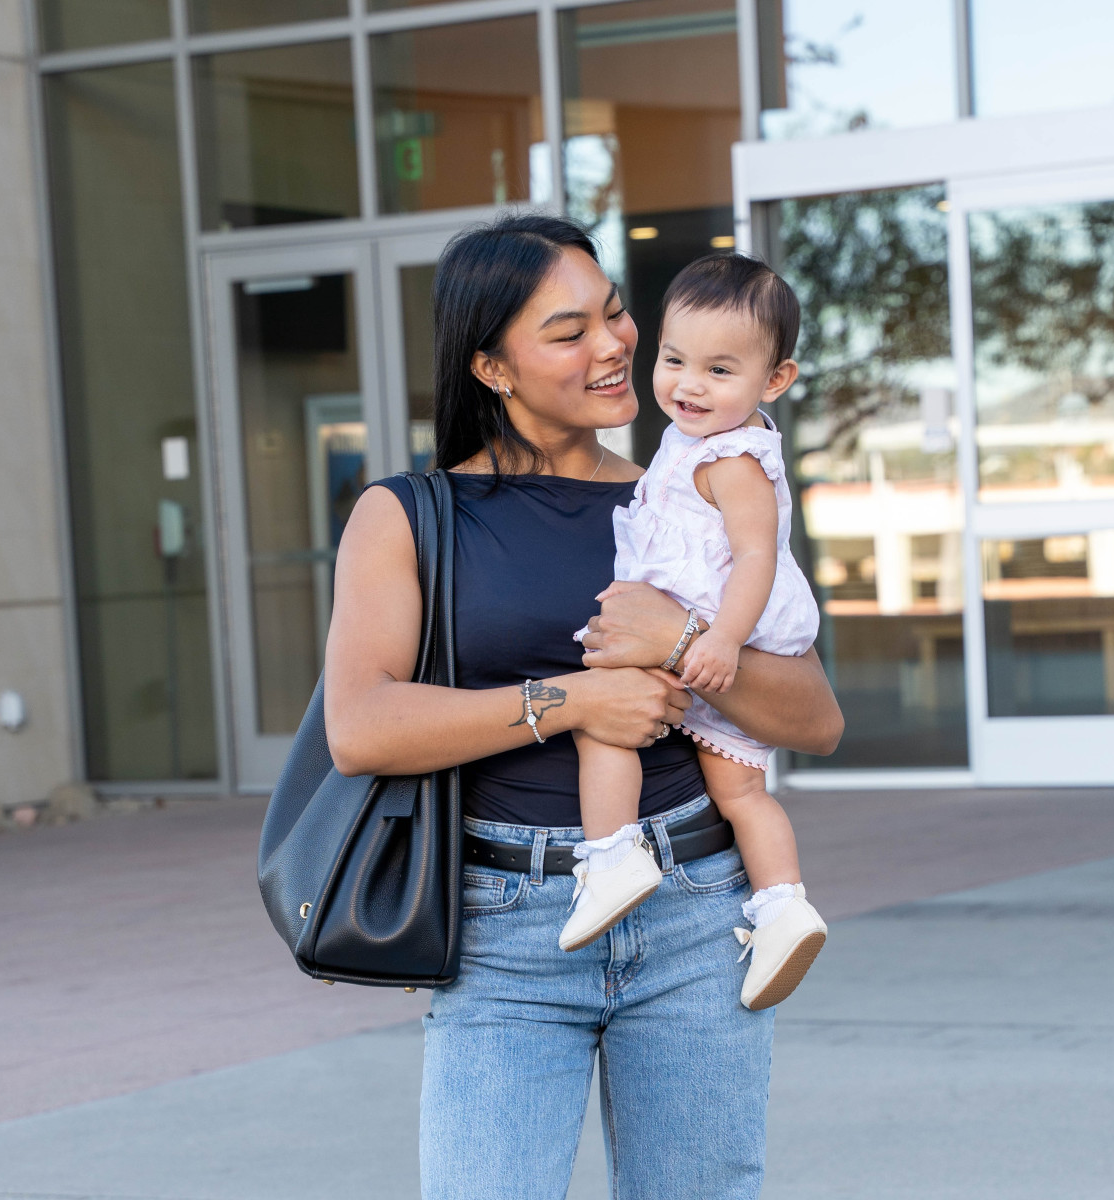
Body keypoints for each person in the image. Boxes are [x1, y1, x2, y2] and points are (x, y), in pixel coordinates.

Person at [324, 211, 843, 1200]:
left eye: (612, 314)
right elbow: (361, 726)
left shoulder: (690, 490)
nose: (611, 344)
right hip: (506, 931)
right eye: (567, 332)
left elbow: (813, 719)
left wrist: (682, 643)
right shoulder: (409, 516)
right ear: (492, 366)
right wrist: (573, 700)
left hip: (696, 916)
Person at [561, 253, 827, 1012]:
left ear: (773, 381)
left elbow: (755, 557)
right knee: (740, 790)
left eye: (718, 370)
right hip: (707, 627)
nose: (687, 384)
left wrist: (713, 643)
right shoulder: (690, 440)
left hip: (719, 628)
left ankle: (611, 856)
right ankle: (781, 907)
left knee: (603, 722)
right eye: (674, 360)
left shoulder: (731, 458)